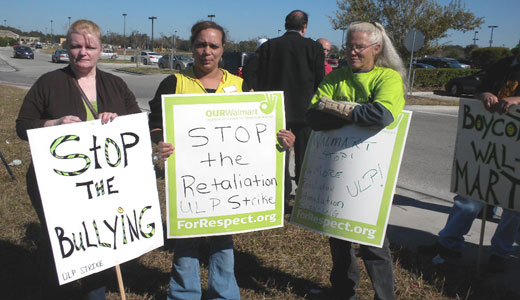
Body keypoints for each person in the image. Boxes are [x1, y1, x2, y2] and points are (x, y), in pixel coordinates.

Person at [148, 21, 295, 300]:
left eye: (213, 46)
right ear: (192, 47)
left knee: (224, 244)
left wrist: (281, 139)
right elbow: (156, 120)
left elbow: (258, 129)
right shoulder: (174, 83)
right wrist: (160, 143)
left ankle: (225, 294)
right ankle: (184, 293)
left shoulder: (240, 85)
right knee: (185, 244)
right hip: (188, 183)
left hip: (227, 186)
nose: (207, 51)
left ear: (223, 49)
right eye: (201, 45)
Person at [16, 19, 141, 300]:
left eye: (89, 46)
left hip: (104, 184)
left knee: (96, 239)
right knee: (60, 246)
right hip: (57, 185)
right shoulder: (49, 82)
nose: (82, 52)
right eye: (75, 46)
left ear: (100, 49)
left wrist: (119, 122)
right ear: (67, 48)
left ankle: (94, 292)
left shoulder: (116, 84)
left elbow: (137, 126)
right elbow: (22, 127)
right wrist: (53, 124)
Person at [306, 21, 407, 300]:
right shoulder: (336, 77)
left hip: (370, 176)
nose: (352, 52)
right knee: (338, 239)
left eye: (359, 47)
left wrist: (335, 107)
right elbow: (313, 117)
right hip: (336, 172)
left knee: (373, 244)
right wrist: (355, 113)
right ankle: (343, 292)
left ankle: (384, 296)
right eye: (349, 45)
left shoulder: (387, 78)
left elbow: (382, 116)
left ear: (376, 48)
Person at [418, 52, 520, 272]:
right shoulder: (502, 65)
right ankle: (448, 244)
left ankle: (500, 254)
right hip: (487, 141)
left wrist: (518, 100)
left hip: (516, 150)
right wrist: (484, 94)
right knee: (469, 195)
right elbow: (479, 88)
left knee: (513, 204)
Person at [256, 10, 324, 210]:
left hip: (275, 112)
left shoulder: (269, 47)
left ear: (286, 25)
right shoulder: (314, 48)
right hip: (305, 113)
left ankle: (280, 197)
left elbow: (260, 81)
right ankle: (304, 200)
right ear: (305, 27)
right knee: (304, 159)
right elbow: (320, 83)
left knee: (279, 157)